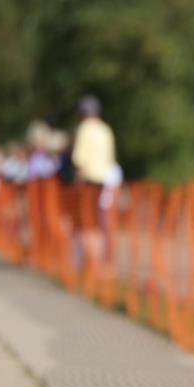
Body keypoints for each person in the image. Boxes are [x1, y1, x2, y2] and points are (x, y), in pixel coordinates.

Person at [71, 95, 116, 296]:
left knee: (86, 224)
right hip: (102, 180)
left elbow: (79, 160)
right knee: (96, 224)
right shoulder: (106, 130)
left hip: (87, 180)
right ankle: (96, 265)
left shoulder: (85, 129)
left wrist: (77, 180)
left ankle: (90, 267)